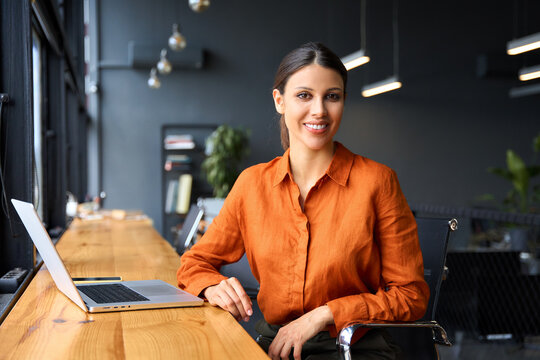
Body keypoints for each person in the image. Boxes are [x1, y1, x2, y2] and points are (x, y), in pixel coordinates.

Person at [177, 42, 429, 360]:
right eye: (304, 95)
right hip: (275, 344)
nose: (319, 110)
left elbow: (412, 297)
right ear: (279, 101)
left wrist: (326, 314)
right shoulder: (252, 184)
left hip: (353, 347)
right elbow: (193, 263)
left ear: (343, 102)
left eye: (332, 96)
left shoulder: (377, 182)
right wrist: (211, 286)